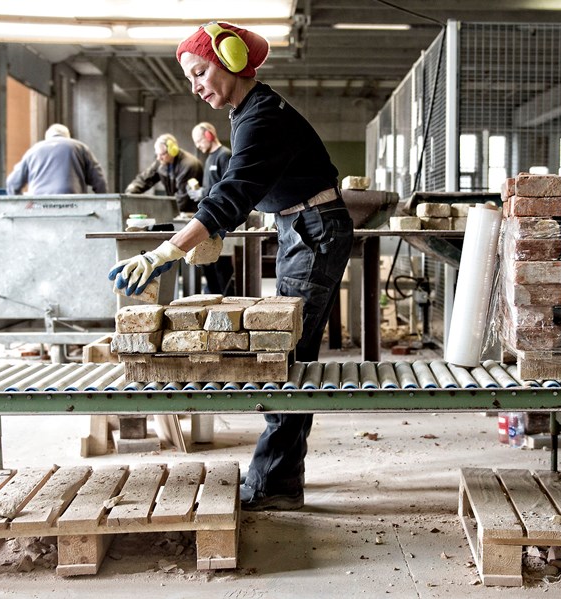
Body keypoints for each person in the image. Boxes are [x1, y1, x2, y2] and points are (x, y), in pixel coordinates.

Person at [108, 21, 353, 511]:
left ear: (232, 61)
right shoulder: (250, 113)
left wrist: (168, 251)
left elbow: (232, 192)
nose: (197, 86)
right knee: (289, 353)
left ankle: (276, 484)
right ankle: (283, 476)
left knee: (284, 354)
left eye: (201, 72)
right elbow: (243, 191)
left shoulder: (261, 116)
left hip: (314, 229)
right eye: (191, 79)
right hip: (301, 226)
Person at [191, 121, 235, 295]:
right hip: (211, 219)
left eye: (199, 140)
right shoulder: (209, 158)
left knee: (222, 269)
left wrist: (204, 192)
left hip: (221, 220)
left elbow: (227, 187)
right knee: (210, 267)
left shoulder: (224, 156)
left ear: (209, 135)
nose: (198, 145)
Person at [5, 124, 107, 195]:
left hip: (39, 204)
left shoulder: (33, 150)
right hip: (73, 203)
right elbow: (99, 180)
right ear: (68, 136)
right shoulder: (80, 147)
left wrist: (18, 203)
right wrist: (102, 202)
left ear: (47, 137)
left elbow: (12, 183)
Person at [124, 133, 205, 216]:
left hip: (192, 213)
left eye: (162, 154)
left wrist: (161, 212)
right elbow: (145, 179)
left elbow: (182, 199)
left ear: (173, 151)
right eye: (157, 154)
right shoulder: (162, 162)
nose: (158, 158)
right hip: (178, 211)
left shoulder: (189, 165)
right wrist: (130, 193)